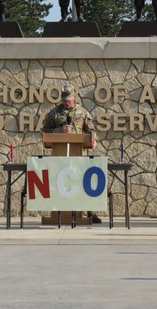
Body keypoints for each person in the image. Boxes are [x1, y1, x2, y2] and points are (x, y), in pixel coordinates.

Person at [41, 85, 101, 224]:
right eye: (64, 100)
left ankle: (89, 212)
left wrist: (94, 140)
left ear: (74, 97)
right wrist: (59, 131)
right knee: (59, 182)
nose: (66, 102)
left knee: (82, 182)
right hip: (60, 158)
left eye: (69, 100)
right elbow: (45, 132)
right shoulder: (54, 113)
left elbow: (90, 129)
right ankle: (57, 214)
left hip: (78, 156)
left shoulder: (82, 112)